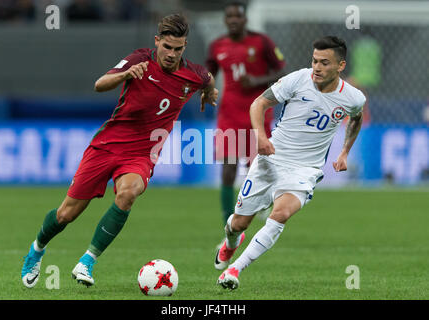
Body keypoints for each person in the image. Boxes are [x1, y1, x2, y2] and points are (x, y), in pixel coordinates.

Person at [21, 13, 218, 288]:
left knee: (128, 193)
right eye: (167, 47)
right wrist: (125, 74)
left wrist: (209, 93)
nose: (172, 54)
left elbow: (207, 79)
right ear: (157, 41)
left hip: (141, 154)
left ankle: (87, 261)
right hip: (107, 145)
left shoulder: (193, 74)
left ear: (185, 46)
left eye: (178, 48)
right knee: (66, 214)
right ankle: (37, 249)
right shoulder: (139, 59)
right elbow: (99, 84)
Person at [215, 36, 365, 290]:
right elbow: (259, 103)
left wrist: (344, 152)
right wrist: (261, 137)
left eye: (324, 63)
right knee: (239, 223)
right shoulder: (298, 79)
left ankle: (234, 270)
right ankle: (231, 242)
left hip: (305, 170)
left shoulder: (353, 97)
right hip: (271, 159)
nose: (317, 67)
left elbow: (356, 118)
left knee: (281, 213)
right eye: (315, 61)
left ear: (340, 66)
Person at [205, 1, 286, 227]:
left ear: (245, 19)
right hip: (229, 114)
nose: (233, 20)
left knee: (256, 169)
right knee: (228, 169)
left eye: (237, 16)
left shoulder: (261, 42)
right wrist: (206, 89)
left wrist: (257, 81)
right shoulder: (217, 46)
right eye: (229, 17)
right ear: (225, 20)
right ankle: (227, 222)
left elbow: (282, 71)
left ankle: (260, 205)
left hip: (257, 114)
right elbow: (208, 73)